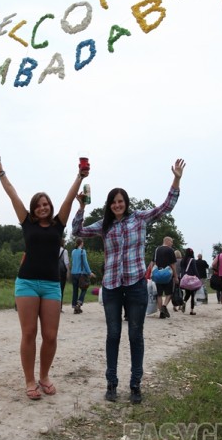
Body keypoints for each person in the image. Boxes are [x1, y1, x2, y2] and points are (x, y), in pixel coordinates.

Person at [72, 158, 185, 404]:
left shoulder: (140, 218)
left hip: (135, 285)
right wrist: (80, 207)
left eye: (120, 201)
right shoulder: (104, 226)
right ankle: (111, 383)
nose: (117, 205)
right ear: (109, 205)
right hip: (112, 286)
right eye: (113, 202)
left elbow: (166, 207)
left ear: (126, 202)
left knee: (135, 335)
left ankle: (135, 385)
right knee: (113, 334)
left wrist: (176, 179)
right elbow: (77, 231)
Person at [0, 153, 89, 400]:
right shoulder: (27, 223)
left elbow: (68, 199)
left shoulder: (58, 224)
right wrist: (1, 172)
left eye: (46, 204)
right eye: (38, 205)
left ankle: (44, 376)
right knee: (29, 333)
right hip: (27, 283)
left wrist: (80, 176)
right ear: (34, 208)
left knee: (51, 335)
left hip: (51, 285)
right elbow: (12, 194)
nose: (43, 207)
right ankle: (29, 380)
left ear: (50, 206)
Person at [153, 236, 179, 318]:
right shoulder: (170, 250)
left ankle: (161, 312)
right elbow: (173, 264)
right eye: (171, 242)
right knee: (169, 293)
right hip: (168, 274)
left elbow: (153, 262)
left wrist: (152, 273)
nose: (172, 244)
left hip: (158, 274)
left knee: (159, 294)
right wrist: (176, 276)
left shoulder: (157, 249)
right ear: (167, 241)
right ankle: (164, 306)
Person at [70, 238, 94, 314]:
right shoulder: (82, 251)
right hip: (81, 274)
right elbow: (85, 263)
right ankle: (79, 303)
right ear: (81, 243)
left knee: (75, 290)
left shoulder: (73, 251)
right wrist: (89, 272)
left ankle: (75, 307)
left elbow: (73, 262)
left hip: (73, 273)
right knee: (84, 288)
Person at [180, 248, 200, 315]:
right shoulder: (192, 260)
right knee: (192, 294)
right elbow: (195, 269)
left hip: (185, 278)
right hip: (191, 279)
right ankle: (191, 310)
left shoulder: (183, 260)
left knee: (187, 293)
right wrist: (198, 277)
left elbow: (182, 270)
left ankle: (184, 302)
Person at [59, 239, 70, 311]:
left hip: (54, 271)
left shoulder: (54, 249)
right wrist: (68, 271)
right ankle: (59, 307)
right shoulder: (64, 251)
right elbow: (66, 262)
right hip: (62, 272)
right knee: (61, 289)